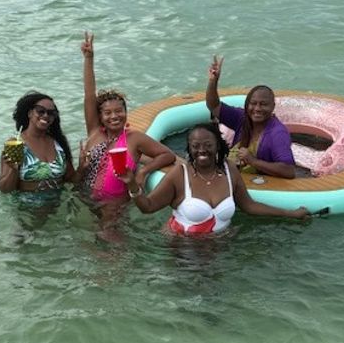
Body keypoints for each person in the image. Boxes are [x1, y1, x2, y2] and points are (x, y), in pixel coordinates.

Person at [118, 123, 310, 236]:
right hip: (183, 250)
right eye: (195, 146)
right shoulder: (180, 174)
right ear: (189, 148)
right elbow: (148, 207)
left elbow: (248, 206)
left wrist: (290, 214)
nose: (201, 149)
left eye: (208, 144)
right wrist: (133, 185)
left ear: (218, 146)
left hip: (221, 247)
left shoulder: (230, 169)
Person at [76, 31, 176, 208]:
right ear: (100, 116)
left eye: (119, 111)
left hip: (114, 205)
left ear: (125, 112)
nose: (114, 116)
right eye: (108, 113)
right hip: (84, 197)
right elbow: (89, 94)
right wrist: (89, 59)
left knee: (107, 235)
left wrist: (144, 170)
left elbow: (167, 155)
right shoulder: (94, 131)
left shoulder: (134, 138)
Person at [205, 56, 296, 178]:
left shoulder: (277, 133)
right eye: (253, 104)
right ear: (247, 104)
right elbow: (214, 106)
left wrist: (253, 161)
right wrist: (213, 81)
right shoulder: (242, 118)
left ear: (273, 106)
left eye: (263, 104)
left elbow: (289, 171)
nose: (257, 109)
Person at [0, 91, 76, 211]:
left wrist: (84, 165)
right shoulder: (16, 144)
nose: (46, 115)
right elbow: (5, 189)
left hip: (57, 211)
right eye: (40, 111)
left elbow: (70, 178)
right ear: (30, 113)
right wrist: (13, 170)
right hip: (28, 213)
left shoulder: (58, 143)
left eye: (51, 113)